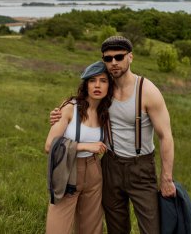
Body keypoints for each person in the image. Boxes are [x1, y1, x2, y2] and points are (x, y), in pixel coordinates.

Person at [50, 36, 176, 234]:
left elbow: (166, 136)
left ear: (130, 57)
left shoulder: (147, 91)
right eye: (108, 59)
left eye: (119, 56)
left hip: (141, 168)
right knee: (116, 227)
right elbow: (82, 104)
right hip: (110, 165)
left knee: (152, 228)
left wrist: (167, 178)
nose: (114, 62)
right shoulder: (105, 90)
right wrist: (60, 113)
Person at [45, 60, 113, 234]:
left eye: (103, 81)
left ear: (109, 86)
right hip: (68, 171)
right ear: (86, 84)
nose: (97, 85)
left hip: (93, 172)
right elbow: (49, 145)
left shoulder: (107, 112)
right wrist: (85, 146)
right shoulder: (70, 108)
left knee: (91, 228)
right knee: (57, 229)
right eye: (92, 80)